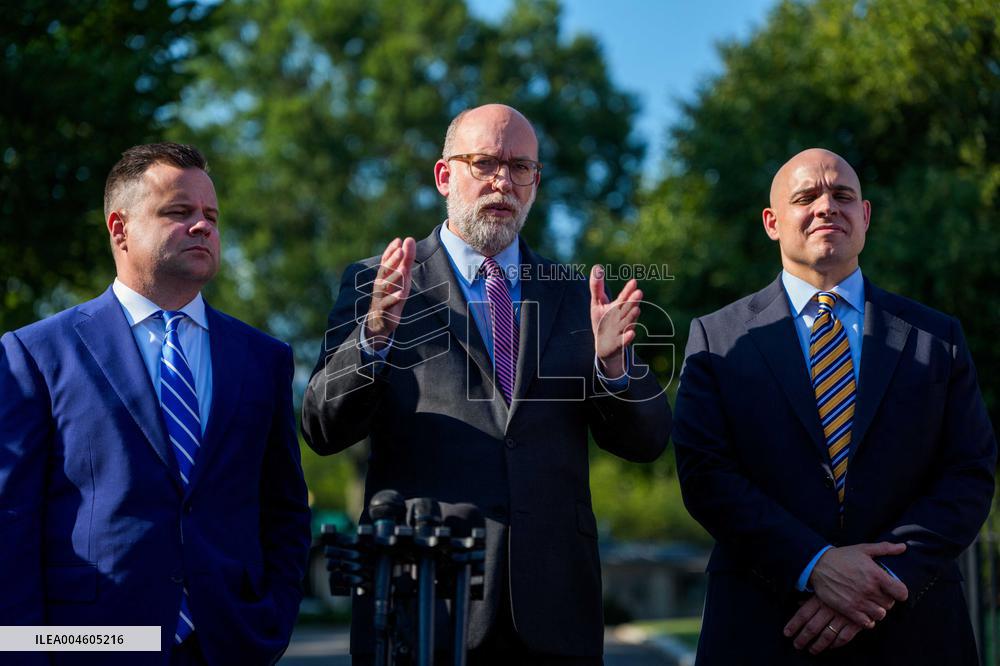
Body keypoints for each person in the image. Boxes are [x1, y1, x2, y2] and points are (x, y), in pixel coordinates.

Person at [301, 103, 671, 664]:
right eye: (485, 163)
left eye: (521, 167)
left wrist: (613, 370)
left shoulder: (575, 295)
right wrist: (374, 335)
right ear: (445, 175)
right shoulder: (376, 283)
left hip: (554, 606)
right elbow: (322, 427)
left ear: (536, 183)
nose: (503, 180)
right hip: (423, 600)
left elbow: (647, 441)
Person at [672, 147, 996, 664]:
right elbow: (705, 475)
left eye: (842, 195)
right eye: (806, 197)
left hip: (916, 624)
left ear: (864, 216)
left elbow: (969, 472)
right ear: (772, 222)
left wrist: (881, 579)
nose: (827, 206)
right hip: (764, 624)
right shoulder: (717, 338)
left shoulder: (937, 336)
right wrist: (815, 564)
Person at [0, 143, 311, 665]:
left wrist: (270, 622)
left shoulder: (264, 358)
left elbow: (283, 510)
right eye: (178, 211)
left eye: (210, 215)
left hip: (228, 644)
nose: (202, 226)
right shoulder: (34, 354)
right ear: (119, 229)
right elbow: (11, 523)